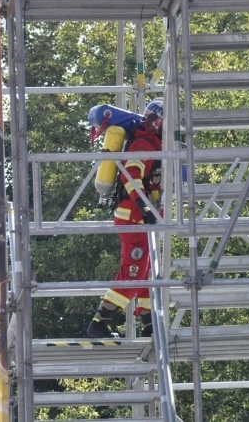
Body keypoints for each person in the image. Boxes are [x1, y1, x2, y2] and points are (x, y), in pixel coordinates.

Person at [86, 98, 163, 338]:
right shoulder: (144, 143)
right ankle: (100, 322)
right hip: (134, 217)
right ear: (155, 120)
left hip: (140, 217)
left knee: (146, 272)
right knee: (133, 271)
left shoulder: (153, 142)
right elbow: (131, 174)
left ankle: (149, 325)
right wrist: (145, 206)